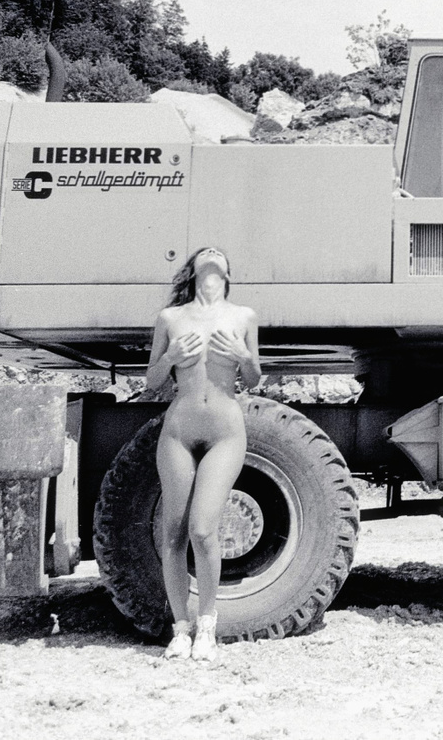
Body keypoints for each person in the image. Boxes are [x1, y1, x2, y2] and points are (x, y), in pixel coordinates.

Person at [143, 247, 260, 660]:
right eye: (204, 252)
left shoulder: (243, 316)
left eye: (219, 253)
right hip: (179, 432)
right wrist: (170, 358)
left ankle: (207, 627)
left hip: (225, 432)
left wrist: (244, 357)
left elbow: (254, 378)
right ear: (192, 271)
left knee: (203, 529)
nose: (212, 253)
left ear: (228, 273)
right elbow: (152, 380)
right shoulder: (170, 318)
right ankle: (180, 630)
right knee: (173, 533)